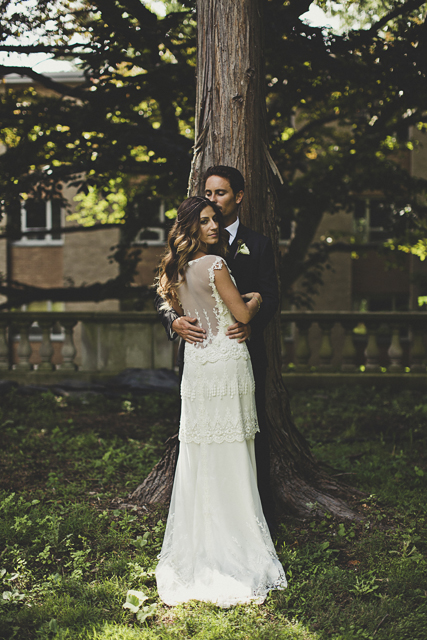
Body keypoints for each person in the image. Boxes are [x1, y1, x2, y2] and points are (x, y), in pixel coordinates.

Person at [155, 196, 286, 607]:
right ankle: (235, 536)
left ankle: (203, 538)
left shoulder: (176, 270)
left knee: (203, 450)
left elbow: (184, 311)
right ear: (191, 227)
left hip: (197, 365)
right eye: (206, 221)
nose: (215, 226)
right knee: (232, 447)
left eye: (216, 220)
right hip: (225, 363)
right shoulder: (215, 265)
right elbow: (241, 317)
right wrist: (257, 299)